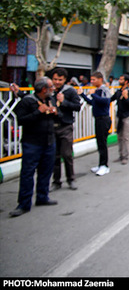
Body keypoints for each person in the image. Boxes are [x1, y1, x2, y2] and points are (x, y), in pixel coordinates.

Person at [10, 77, 58, 217]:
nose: (53, 89)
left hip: (49, 141)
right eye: (51, 87)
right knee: (27, 173)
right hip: (32, 143)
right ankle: (24, 204)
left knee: (46, 171)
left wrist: (55, 112)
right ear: (44, 89)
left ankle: (42, 197)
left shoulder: (50, 99)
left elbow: (57, 116)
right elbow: (21, 120)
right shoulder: (28, 101)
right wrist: (39, 112)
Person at [51, 68, 82, 190]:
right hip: (52, 127)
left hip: (66, 127)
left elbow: (77, 107)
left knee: (67, 154)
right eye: (55, 79)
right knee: (55, 156)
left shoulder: (70, 91)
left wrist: (63, 102)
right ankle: (56, 181)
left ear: (64, 80)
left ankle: (71, 179)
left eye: (60, 79)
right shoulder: (49, 90)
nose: (57, 82)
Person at [78, 72, 112, 176]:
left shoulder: (103, 90)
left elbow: (105, 102)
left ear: (100, 79)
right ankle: (101, 164)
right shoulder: (97, 91)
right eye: (91, 80)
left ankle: (104, 166)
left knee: (102, 143)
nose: (91, 82)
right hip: (98, 119)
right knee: (99, 142)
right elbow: (92, 102)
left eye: (93, 80)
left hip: (104, 119)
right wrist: (82, 95)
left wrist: (93, 94)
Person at [111, 74, 129, 165]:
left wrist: (126, 97)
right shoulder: (118, 92)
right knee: (120, 137)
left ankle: (125, 156)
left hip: (127, 117)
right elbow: (110, 99)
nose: (119, 81)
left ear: (126, 81)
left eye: (121, 79)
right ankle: (121, 154)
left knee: (125, 137)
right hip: (119, 116)